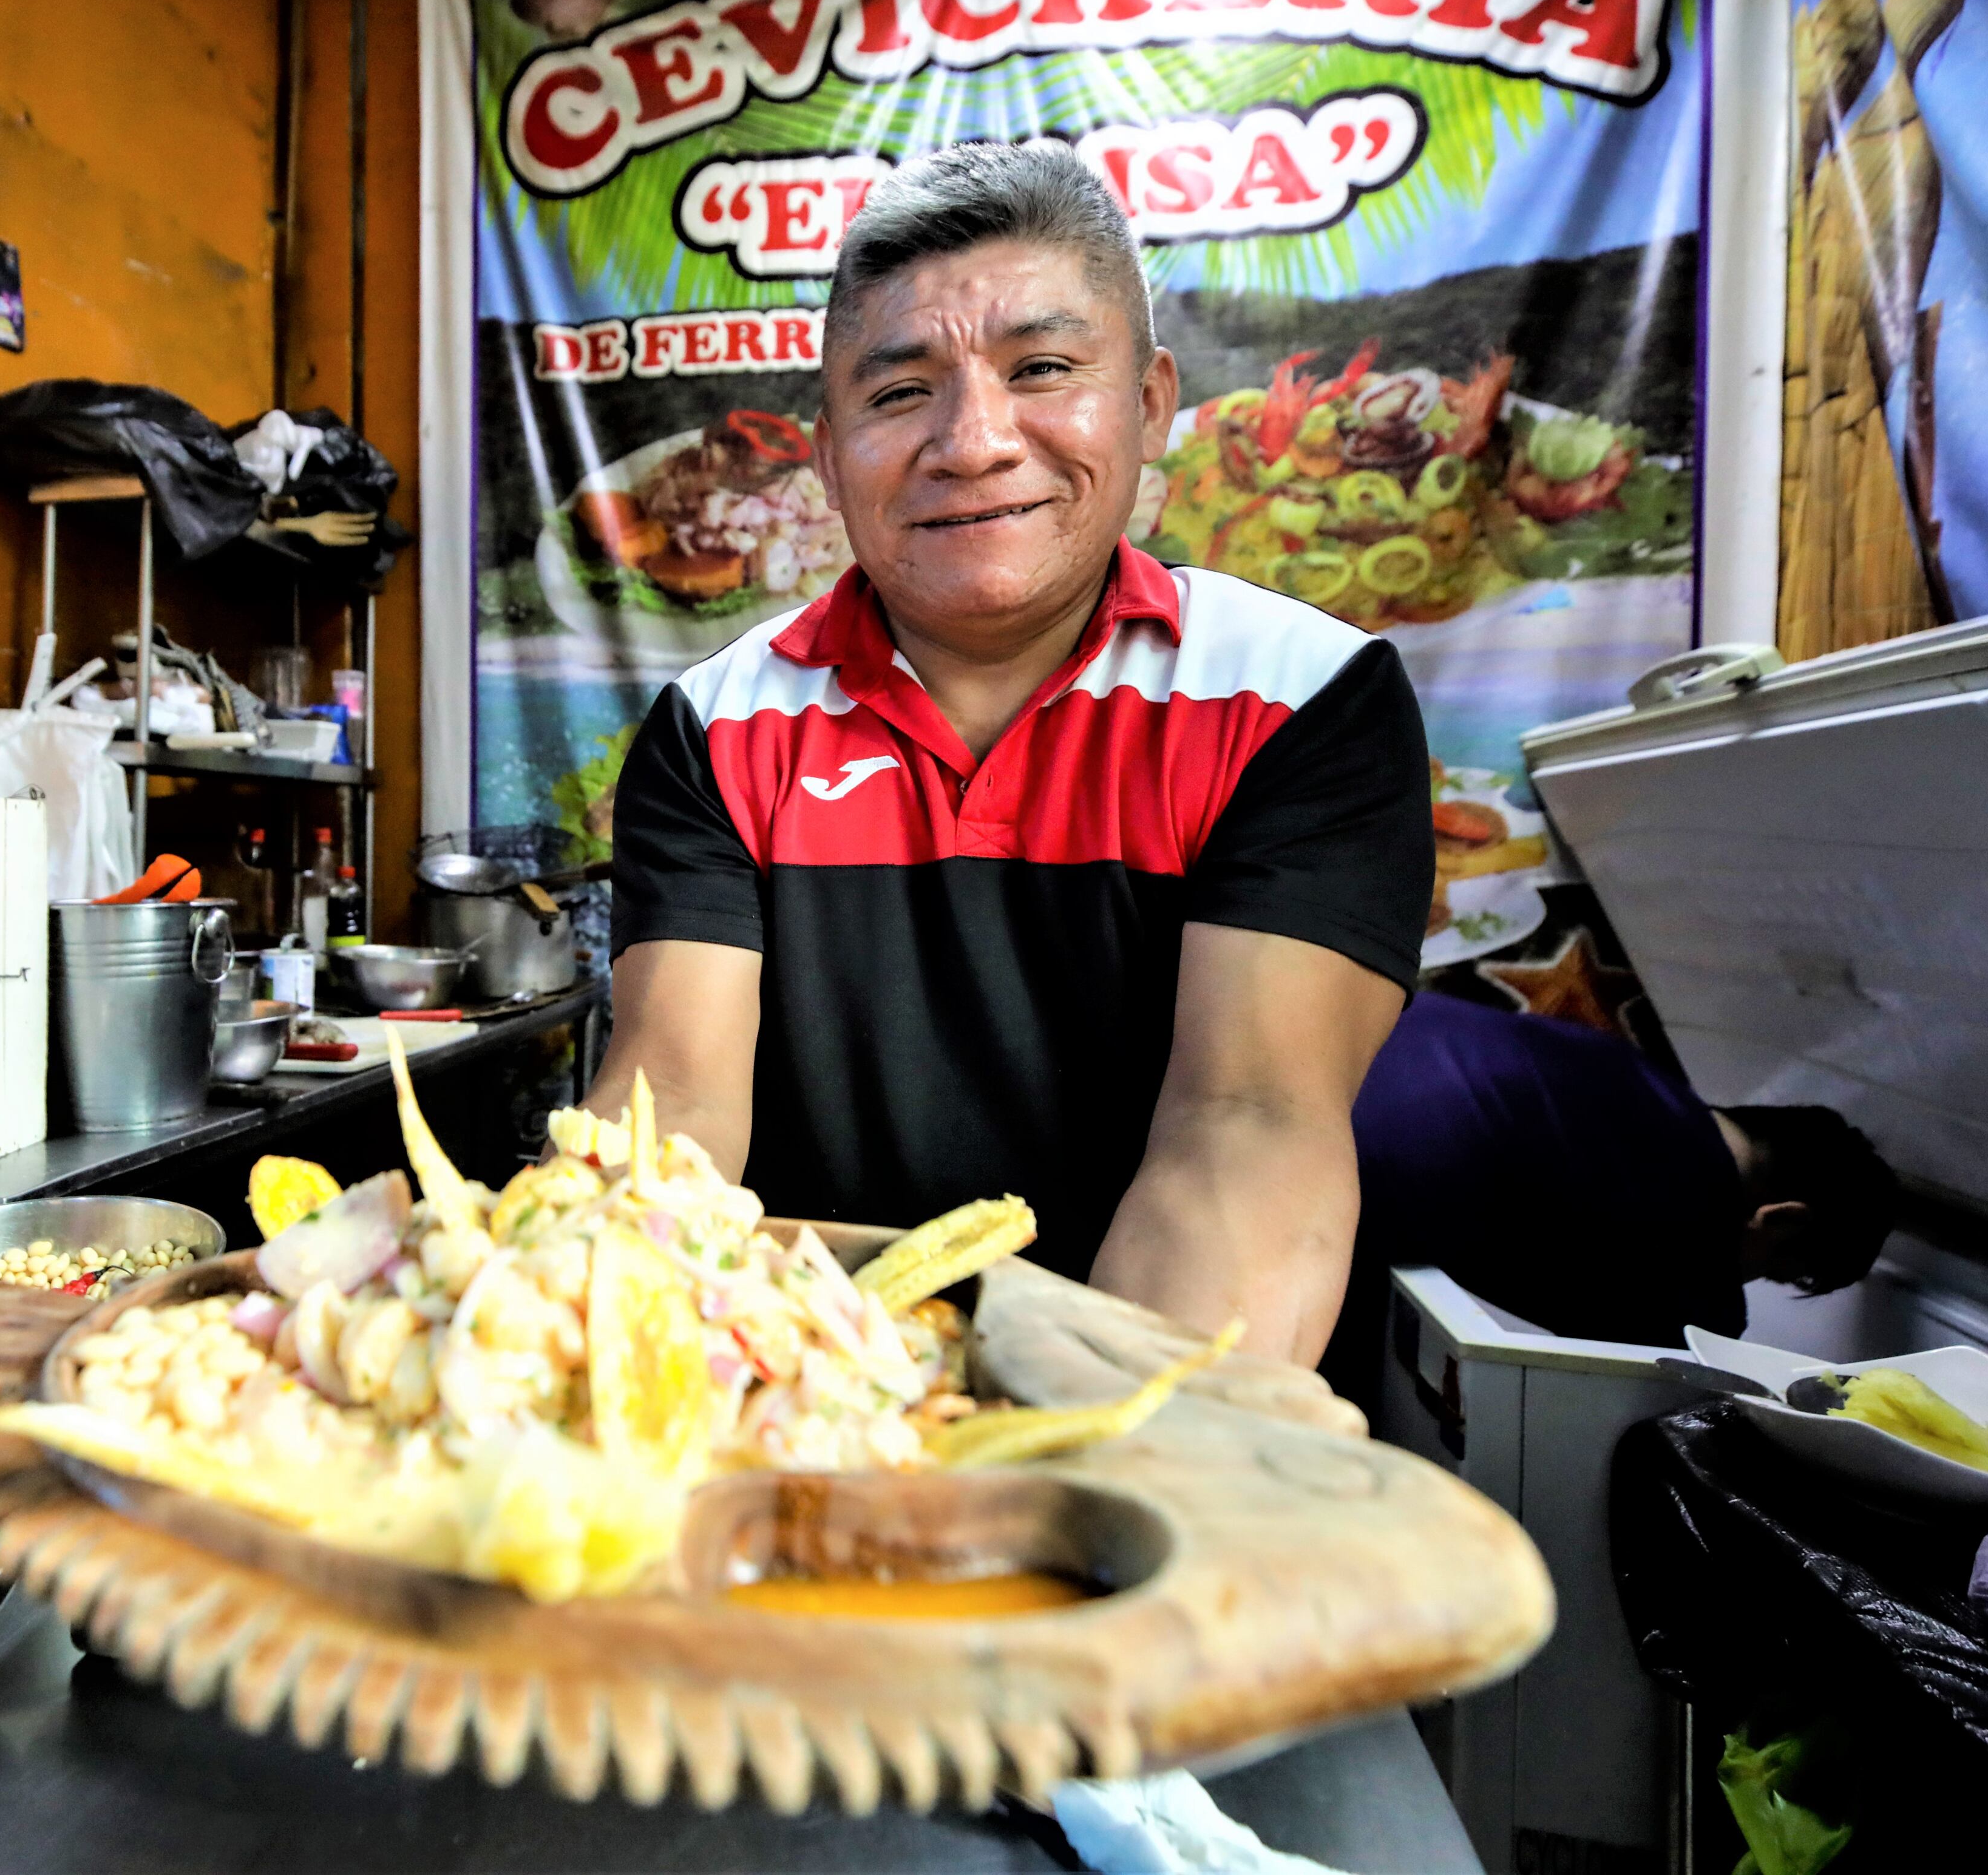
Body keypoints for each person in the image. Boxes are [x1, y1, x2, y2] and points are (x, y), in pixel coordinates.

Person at [584, 143, 1432, 1365]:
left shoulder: (1299, 696)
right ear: (826, 452)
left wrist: (1109, 1435)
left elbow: (1246, 1125)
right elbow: (674, 1102)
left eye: (1041, 369)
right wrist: (571, 1340)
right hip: (803, 1389)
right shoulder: (715, 726)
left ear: (1150, 402)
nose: (973, 442)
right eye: (898, 393)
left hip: (1145, 1402)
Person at [1321, 989, 1899, 1411]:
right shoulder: (1687, 1223)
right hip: (1328, 1170)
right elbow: (1687, 1377)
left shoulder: (1631, 1071)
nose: (1748, 1281)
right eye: (1771, 1270)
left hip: (1316, 1049)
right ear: (1780, 1218)